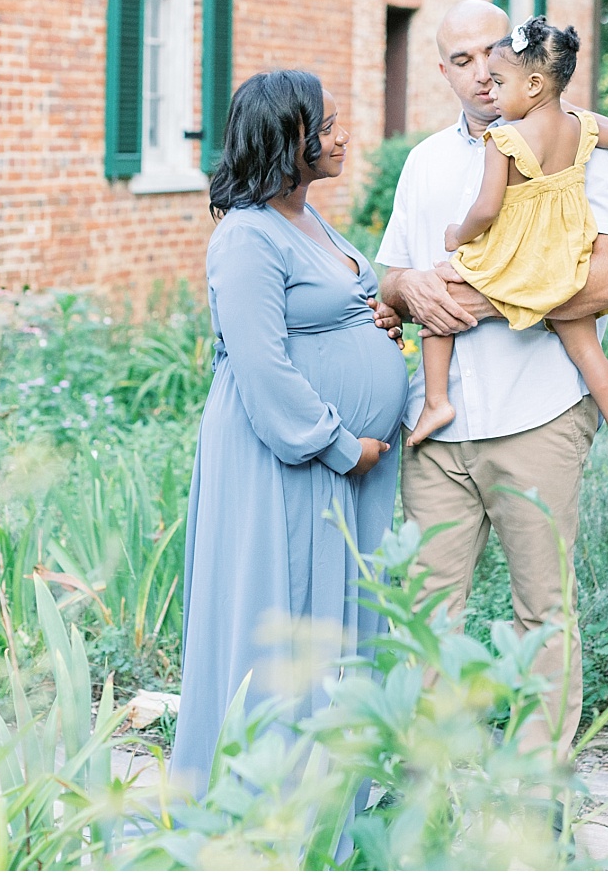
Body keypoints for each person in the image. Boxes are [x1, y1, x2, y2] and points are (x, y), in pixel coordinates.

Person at [376, 0, 608, 758]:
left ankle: (533, 797)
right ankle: (432, 788)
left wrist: (486, 302)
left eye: (493, 49)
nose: (481, 69)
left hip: (540, 417)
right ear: (445, 71)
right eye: (462, 59)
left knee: (543, 615)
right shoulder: (425, 161)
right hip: (438, 434)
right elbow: (394, 272)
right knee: (425, 613)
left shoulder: (572, 146)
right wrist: (409, 291)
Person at [172, 69, 409, 795]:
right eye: (327, 125)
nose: (342, 136)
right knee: (284, 620)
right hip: (290, 458)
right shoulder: (246, 236)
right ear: (287, 138)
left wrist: (381, 317)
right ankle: (264, 801)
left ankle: (331, 795)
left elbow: (337, 307)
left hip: (342, 466)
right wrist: (344, 444)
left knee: (336, 627)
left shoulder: (306, 219)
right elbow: (262, 368)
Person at [409, 16, 608, 488]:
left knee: (442, 288)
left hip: (518, 255)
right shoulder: (579, 130)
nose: (490, 90)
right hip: (564, 261)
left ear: (534, 84)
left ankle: (436, 401)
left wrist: (457, 234)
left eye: (499, 81)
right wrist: (560, 103)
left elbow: (487, 210)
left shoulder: (504, 139)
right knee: (588, 350)